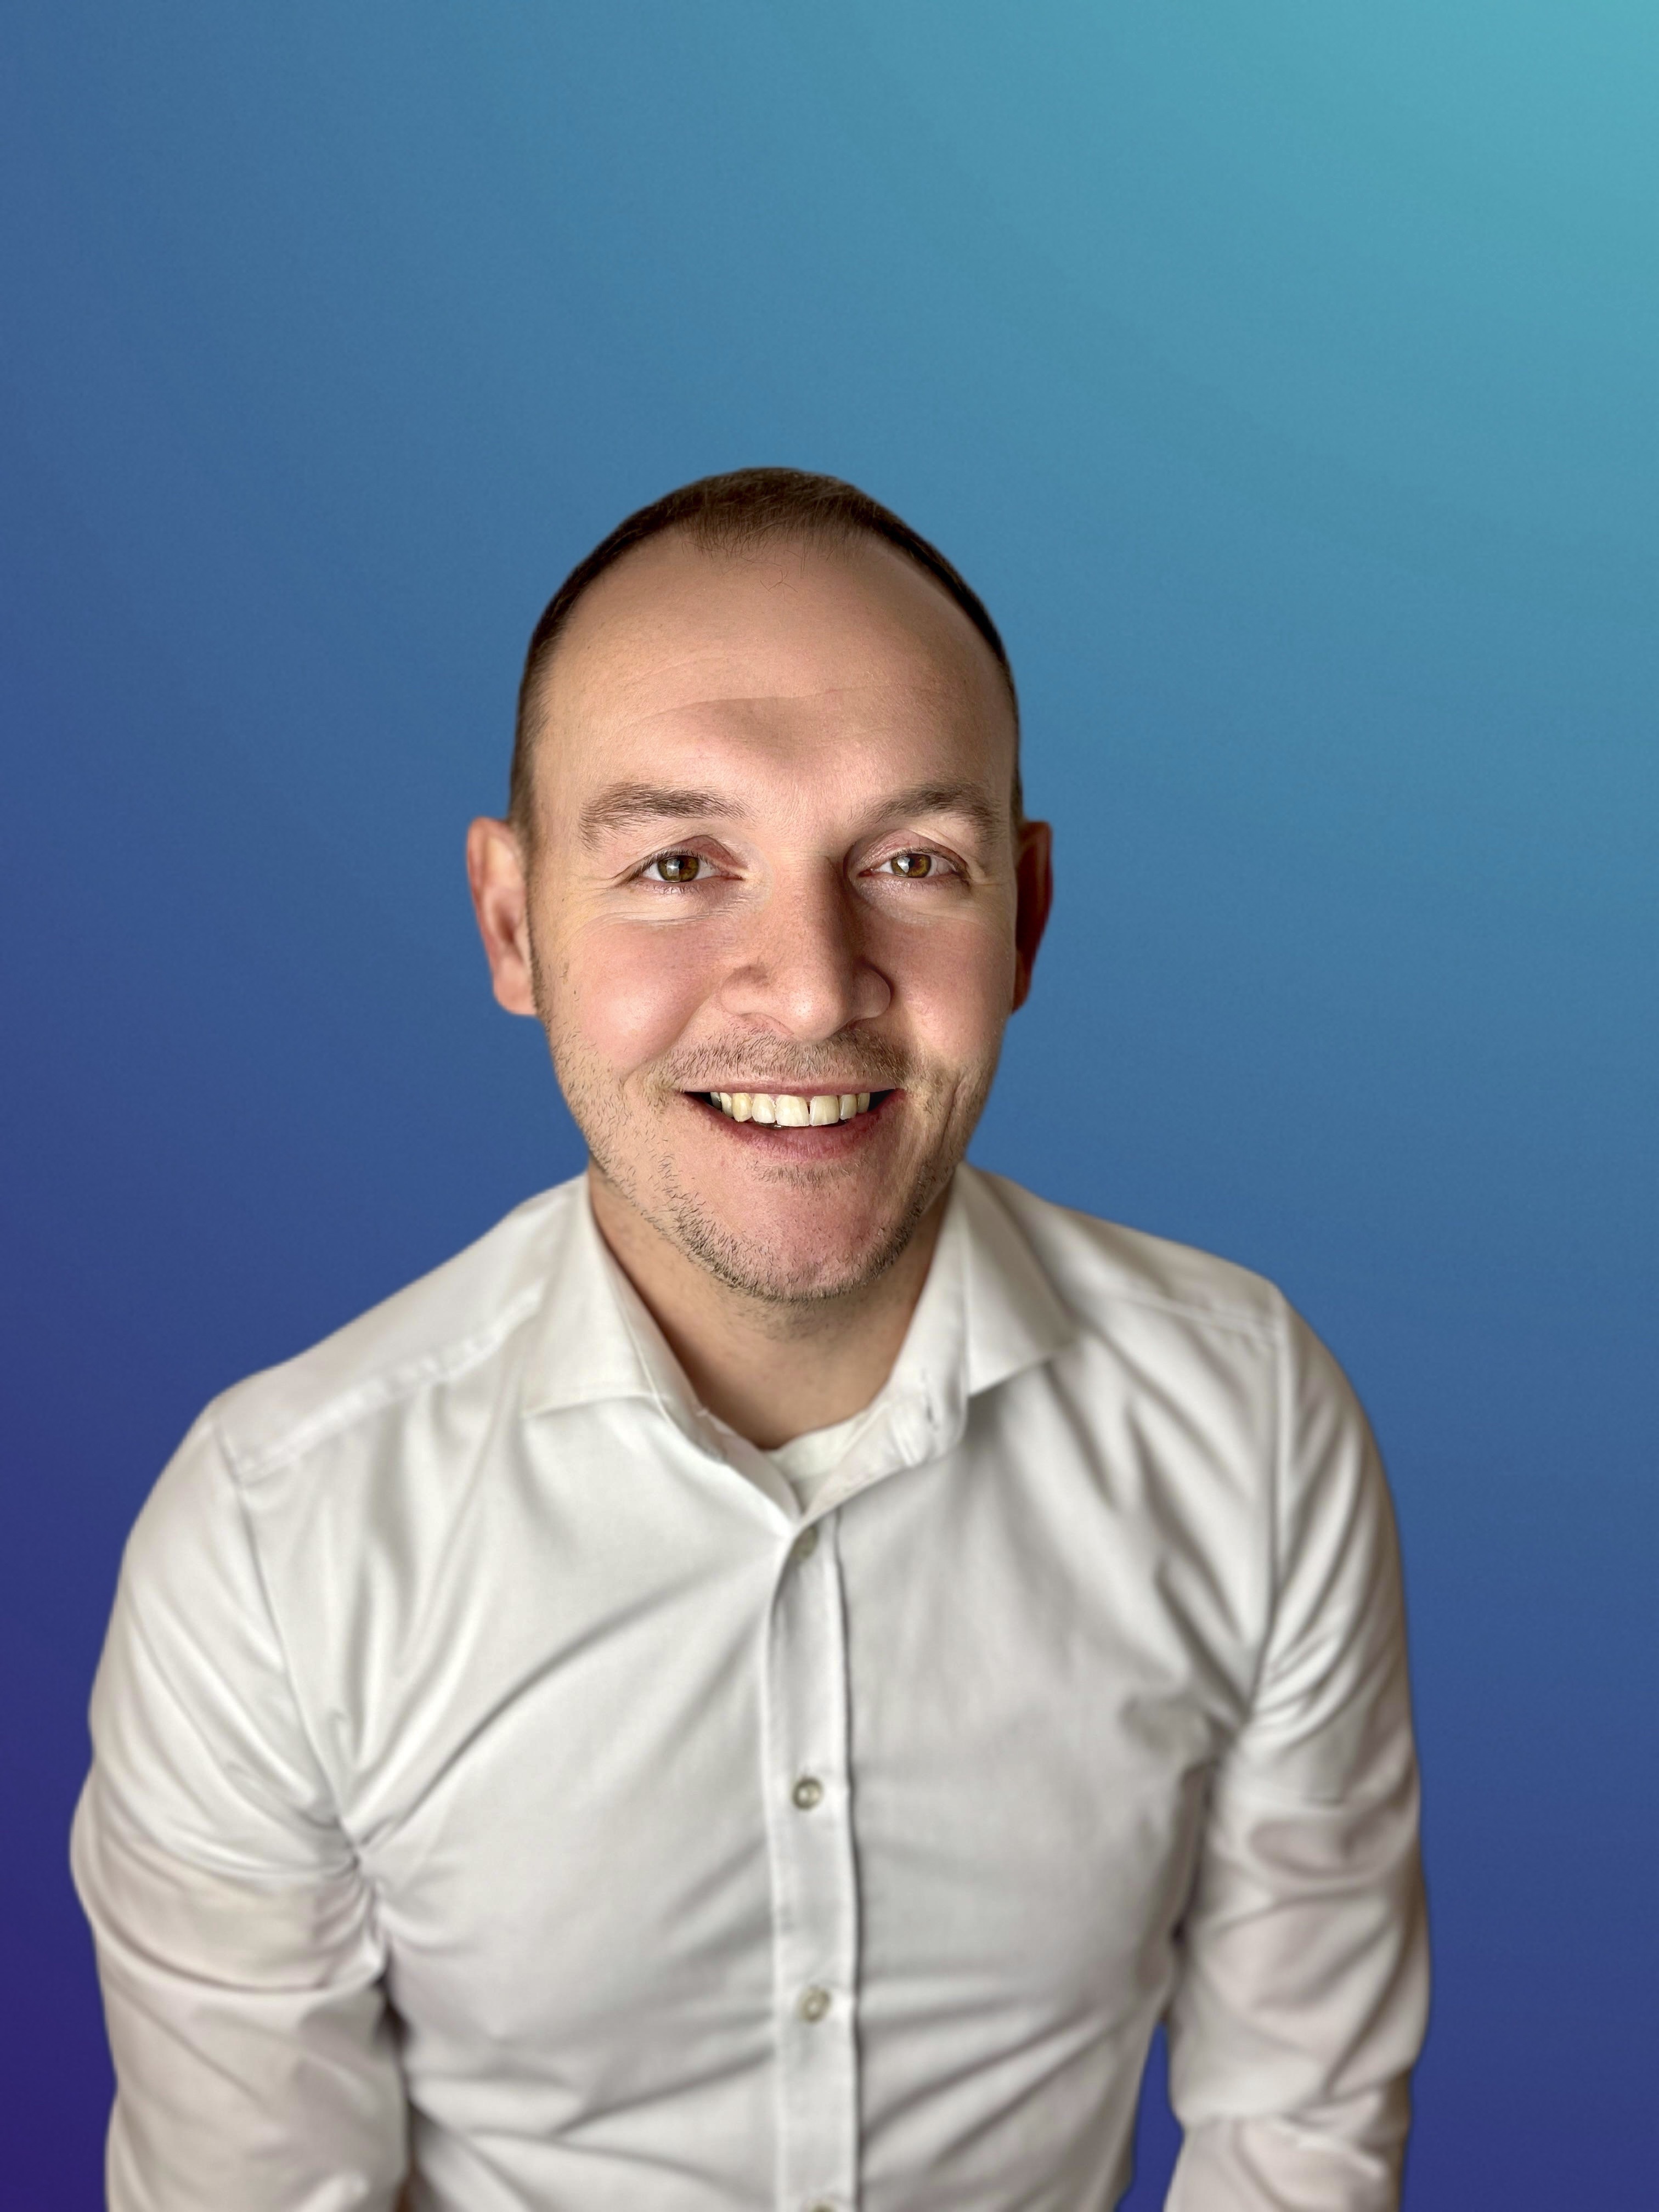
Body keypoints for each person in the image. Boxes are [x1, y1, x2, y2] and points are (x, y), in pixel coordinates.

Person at [73, 469, 1429, 2211]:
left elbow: (1296, 2128)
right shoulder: (272, 1540)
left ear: (1021, 916)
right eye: (678, 863)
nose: (806, 986)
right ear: (511, 925)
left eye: (911, 863)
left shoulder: (1248, 1421)